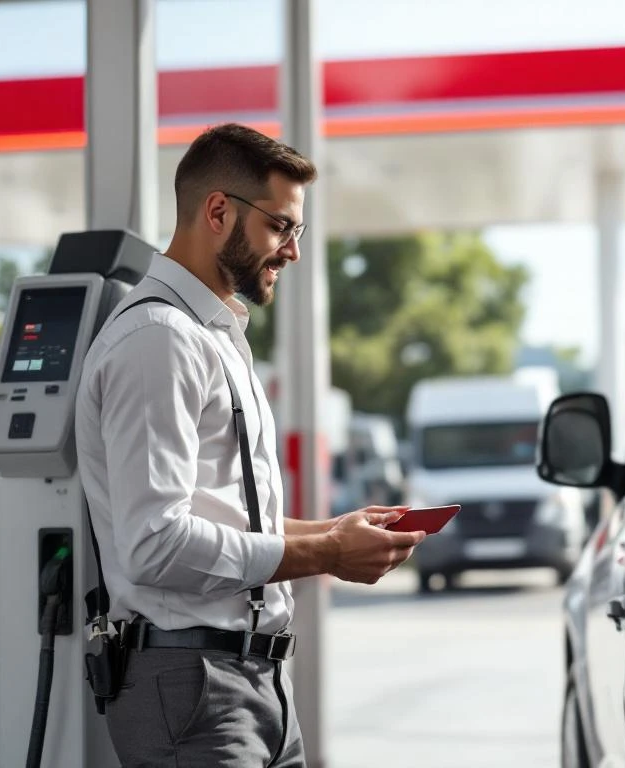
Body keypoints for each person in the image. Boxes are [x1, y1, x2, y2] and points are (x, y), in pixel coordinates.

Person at [74, 123, 426, 767]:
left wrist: (335, 531)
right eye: (280, 227)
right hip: (192, 688)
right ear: (218, 212)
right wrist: (326, 554)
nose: (293, 251)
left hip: (251, 682)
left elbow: (224, 517)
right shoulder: (159, 340)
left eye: (298, 230)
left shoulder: (211, 334)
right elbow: (156, 543)